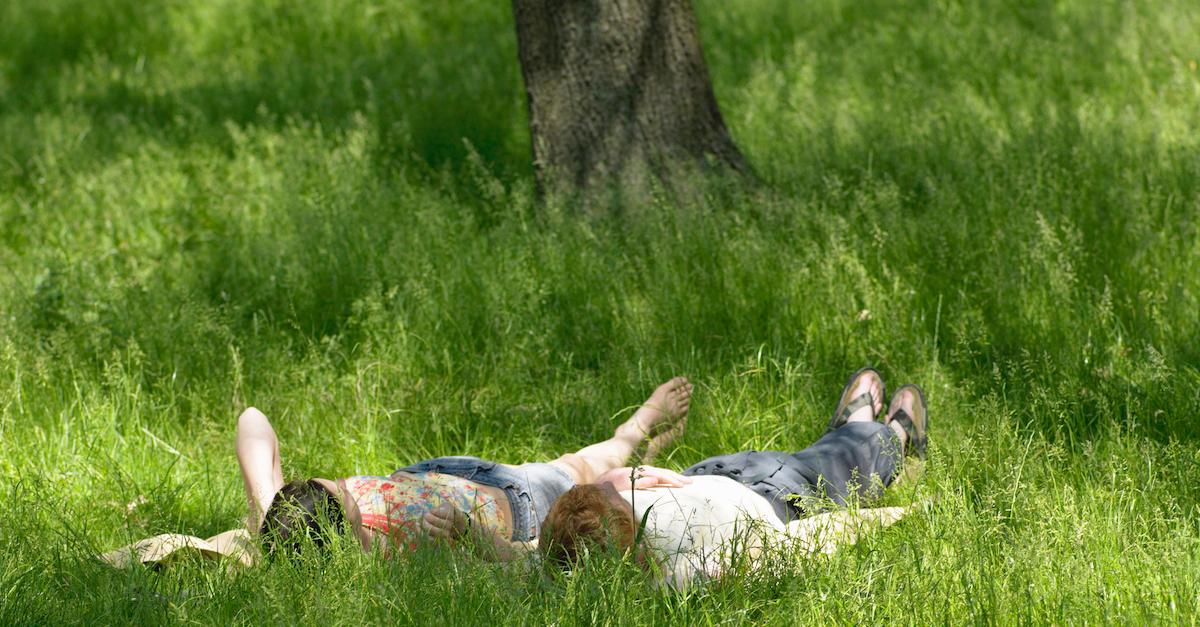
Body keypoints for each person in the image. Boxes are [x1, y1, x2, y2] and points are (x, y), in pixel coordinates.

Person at [538, 368, 928, 588]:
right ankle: (891, 435)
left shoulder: (577, 544)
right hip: (770, 492)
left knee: (827, 466)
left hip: (723, 478)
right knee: (839, 468)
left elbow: (609, 482)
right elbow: (811, 540)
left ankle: (860, 429)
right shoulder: (679, 576)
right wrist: (905, 514)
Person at [237, 377, 693, 559]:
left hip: (438, 473)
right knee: (592, 467)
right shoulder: (390, 563)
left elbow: (252, 419)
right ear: (342, 533)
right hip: (517, 501)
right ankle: (636, 430)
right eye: (344, 495)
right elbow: (521, 564)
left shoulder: (287, 520)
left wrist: (267, 507)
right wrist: (467, 531)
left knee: (602, 472)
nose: (345, 485)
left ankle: (637, 446)